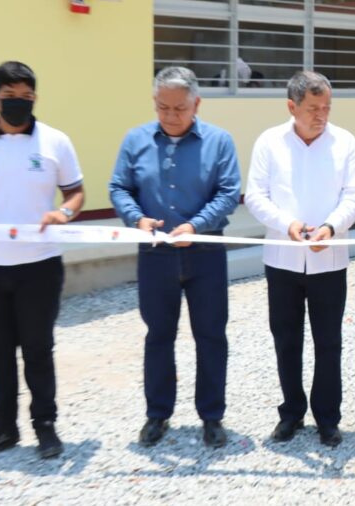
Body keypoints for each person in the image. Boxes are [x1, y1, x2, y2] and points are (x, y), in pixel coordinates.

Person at [0, 61, 84, 461]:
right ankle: (2, 428)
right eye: (9, 97)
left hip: (39, 265)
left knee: (38, 349)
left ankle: (45, 425)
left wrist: (65, 213)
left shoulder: (55, 141)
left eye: (26, 97)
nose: (18, 104)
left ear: (35, 98)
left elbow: (75, 193)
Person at [109, 67, 241, 449]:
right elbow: (119, 186)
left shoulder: (219, 141)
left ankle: (212, 417)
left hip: (205, 253)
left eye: (179, 108)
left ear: (196, 104)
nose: (170, 116)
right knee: (159, 335)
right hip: (155, 257)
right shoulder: (135, 140)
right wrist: (137, 218)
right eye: (162, 107)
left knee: (211, 336)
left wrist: (196, 225)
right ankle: (157, 415)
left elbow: (229, 192)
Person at [245, 71, 355, 448]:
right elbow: (255, 196)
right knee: (286, 340)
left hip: (330, 261)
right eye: (313, 108)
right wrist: (288, 224)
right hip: (282, 260)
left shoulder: (344, 143)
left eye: (326, 107)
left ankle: (327, 418)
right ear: (291, 106)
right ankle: (291, 413)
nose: (321, 115)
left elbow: (353, 195)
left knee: (329, 342)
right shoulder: (269, 142)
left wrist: (330, 227)